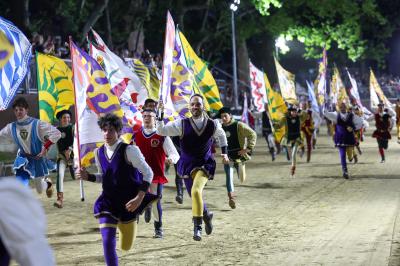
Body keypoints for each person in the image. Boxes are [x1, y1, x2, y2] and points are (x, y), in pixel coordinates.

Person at [76, 114, 158, 266]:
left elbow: (148, 173)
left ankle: (125, 225)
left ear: (119, 131)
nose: (107, 133)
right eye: (104, 130)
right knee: (107, 242)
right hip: (108, 202)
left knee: (125, 246)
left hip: (129, 203)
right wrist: (88, 177)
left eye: (111, 130)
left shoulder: (130, 150)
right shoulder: (98, 152)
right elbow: (103, 176)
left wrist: (139, 198)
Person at [156, 94, 229, 241]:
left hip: (204, 163)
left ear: (203, 106)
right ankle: (207, 215)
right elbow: (161, 131)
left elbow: (222, 136)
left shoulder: (212, 124)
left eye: (198, 104)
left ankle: (197, 228)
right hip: (187, 164)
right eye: (193, 104)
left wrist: (225, 153)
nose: (195, 107)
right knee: (195, 196)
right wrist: (160, 113)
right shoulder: (181, 124)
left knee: (196, 191)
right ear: (189, 106)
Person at [0, 97, 60, 196]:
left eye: (21, 109)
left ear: (26, 110)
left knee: (40, 189)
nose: (18, 112)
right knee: (21, 185)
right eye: (16, 110)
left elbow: (57, 133)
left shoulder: (37, 124)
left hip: (37, 158)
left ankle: (47, 184)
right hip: (23, 159)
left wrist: (45, 147)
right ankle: (20, 205)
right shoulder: (11, 127)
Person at [134, 109, 179, 238]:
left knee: (155, 202)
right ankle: (131, 222)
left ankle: (158, 228)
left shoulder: (162, 135)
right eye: (145, 116)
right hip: (139, 174)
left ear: (156, 119)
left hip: (155, 175)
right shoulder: (135, 135)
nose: (147, 118)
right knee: (133, 198)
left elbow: (174, 153)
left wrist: (172, 159)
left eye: (150, 116)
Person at [0, 177, 55, 266]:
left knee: (38, 188)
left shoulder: (5, 195)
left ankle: (47, 184)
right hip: (20, 175)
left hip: (31, 168)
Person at [217, 107, 256, 209]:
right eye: (222, 117)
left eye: (225, 116)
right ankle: (231, 198)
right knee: (228, 176)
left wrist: (247, 149)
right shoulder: (220, 128)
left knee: (242, 178)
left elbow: (252, 134)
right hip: (227, 157)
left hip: (239, 156)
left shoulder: (239, 125)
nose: (224, 118)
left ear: (230, 115)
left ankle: (241, 168)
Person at [324, 102, 363, 178]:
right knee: (342, 155)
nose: (343, 108)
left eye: (344, 107)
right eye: (341, 107)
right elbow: (326, 114)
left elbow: (360, 122)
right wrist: (325, 105)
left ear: (346, 107)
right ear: (339, 108)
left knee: (350, 157)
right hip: (340, 138)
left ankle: (351, 157)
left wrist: (353, 128)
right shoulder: (336, 115)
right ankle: (345, 171)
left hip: (349, 139)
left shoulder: (352, 116)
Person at [276, 104, 307, 176]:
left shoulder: (300, 118)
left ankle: (293, 168)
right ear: (290, 112)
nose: (294, 113)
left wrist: (300, 109)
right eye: (293, 111)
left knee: (293, 154)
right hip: (288, 139)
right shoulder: (285, 119)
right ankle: (292, 151)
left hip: (296, 138)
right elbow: (279, 125)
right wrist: (273, 124)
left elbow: (305, 115)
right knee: (290, 155)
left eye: (295, 111)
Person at [54, 110, 75, 208]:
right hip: (62, 156)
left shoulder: (73, 128)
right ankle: (59, 199)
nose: (66, 119)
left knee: (75, 176)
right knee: (60, 174)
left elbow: (77, 140)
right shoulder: (56, 130)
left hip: (73, 156)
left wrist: (70, 150)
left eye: (68, 117)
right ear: (60, 119)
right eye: (64, 118)